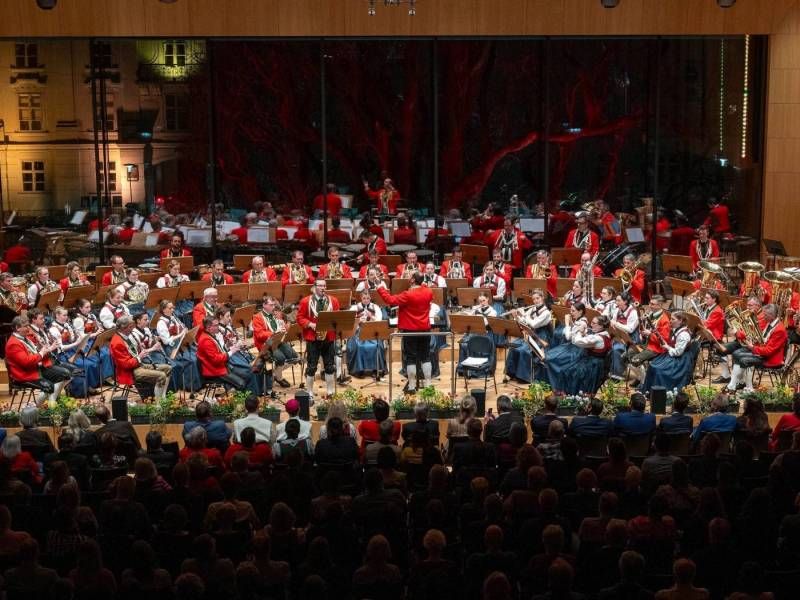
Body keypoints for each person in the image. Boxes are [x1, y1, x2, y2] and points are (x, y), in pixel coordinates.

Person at [378, 271, 434, 393]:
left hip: (410, 331)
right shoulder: (428, 291)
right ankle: (429, 385)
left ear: (413, 280)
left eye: (410, 277)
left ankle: (412, 386)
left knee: (411, 358)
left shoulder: (408, 294)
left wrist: (380, 287)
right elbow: (423, 289)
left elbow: (390, 300)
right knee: (425, 357)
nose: (408, 278)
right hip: (425, 329)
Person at [546, 311, 612, 396]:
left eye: (594, 323)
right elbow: (589, 340)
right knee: (567, 369)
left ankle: (571, 395)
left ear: (601, 326)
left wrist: (579, 332)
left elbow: (577, 341)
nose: (591, 325)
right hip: (595, 362)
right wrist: (584, 334)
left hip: (593, 366)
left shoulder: (597, 338)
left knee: (568, 371)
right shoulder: (605, 334)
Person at [5, 315, 69, 402]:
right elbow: (27, 362)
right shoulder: (13, 343)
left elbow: (34, 354)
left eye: (28, 325)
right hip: (25, 374)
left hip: (35, 368)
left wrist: (46, 349)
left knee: (64, 374)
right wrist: (42, 352)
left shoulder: (24, 338)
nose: (28, 328)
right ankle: (41, 406)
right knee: (50, 386)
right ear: (17, 328)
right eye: (26, 326)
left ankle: (48, 404)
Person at [726, 303, 787, 393]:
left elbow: (769, 351)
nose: (763, 317)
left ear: (772, 316)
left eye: (765, 315)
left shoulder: (779, 329)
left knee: (743, 359)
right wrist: (752, 342)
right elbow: (763, 341)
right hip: (764, 353)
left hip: (771, 359)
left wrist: (752, 347)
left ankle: (748, 388)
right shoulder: (770, 323)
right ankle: (733, 384)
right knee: (737, 354)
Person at [110, 315, 171, 399]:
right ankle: (159, 404)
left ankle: (162, 396)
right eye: (130, 327)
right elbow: (126, 364)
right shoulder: (117, 342)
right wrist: (140, 356)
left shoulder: (125, 336)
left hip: (138, 365)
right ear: (124, 328)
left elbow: (133, 352)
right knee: (161, 376)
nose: (132, 329)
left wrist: (139, 348)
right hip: (131, 371)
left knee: (168, 368)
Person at [297, 279, 341, 397]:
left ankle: (330, 391)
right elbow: (300, 318)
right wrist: (310, 324)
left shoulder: (333, 301)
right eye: (320, 285)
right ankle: (309, 391)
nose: (322, 288)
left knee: (329, 365)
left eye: (324, 286)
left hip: (328, 337)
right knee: (311, 366)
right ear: (314, 287)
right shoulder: (306, 301)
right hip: (313, 337)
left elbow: (337, 317)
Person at [641, 310, 697, 394]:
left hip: (681, 361)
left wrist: (667, 347)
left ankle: (660, 394)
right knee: (653, 365)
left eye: (673, 319)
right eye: (671, 319)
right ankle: (650, 391)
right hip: (674, 356)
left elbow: (678, 352)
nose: (670, 321)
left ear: (680, 321)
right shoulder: (677, 329)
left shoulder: (684, 335)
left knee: (658, 370)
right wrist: (665, 344)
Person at [196, 314, 255, 395]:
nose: (219, 327)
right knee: (242, 384)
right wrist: (232, 351)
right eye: (216, 325)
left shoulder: (211, 335)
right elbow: (216, 359)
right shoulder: (205, 340)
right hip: (215, 370)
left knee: (247, 374)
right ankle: (243, 401)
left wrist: (230, 347)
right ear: (209, 327)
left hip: (222, 366)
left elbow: (219, 350)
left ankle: (241, 395)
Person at [504, 288, 552, 383]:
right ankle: (511, 373)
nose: (535, 301)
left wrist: (524, 315)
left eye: (537, 298)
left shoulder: (546, 313)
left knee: (523, 351)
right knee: (514, 347)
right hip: (530, 333)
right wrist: (516, 316)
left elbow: (534, 324)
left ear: (542, 298)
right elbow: (524, 322)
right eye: (534, 299)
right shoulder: (533, 309)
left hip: (540, 337)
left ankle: (523, 377)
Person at [155, 299, 202, 392]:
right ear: (164, 310)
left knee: (198, 355)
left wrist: (185, 332)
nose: (173, 310)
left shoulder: (173, 318)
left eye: (173, 308)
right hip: (172, 349)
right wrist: (180, 335)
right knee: (191, 360)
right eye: (170, 308)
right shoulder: (161, 323)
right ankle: (190, 386)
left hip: (181, 344)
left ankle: (200, 382)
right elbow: (166, 341)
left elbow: (182, 328)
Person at [252, 295, 297, 389]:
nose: (273, 307)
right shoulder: (257, 317)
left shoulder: (276, 313)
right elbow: (259, 334)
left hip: (278, 340)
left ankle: (274, 374)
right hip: (266, 344)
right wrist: (273, 333)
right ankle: (279, 378)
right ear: (264, 305)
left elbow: (282, 325)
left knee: (294, 357)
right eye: (271, 305)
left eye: (274, 305)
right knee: (280, 358)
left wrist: (284, 327)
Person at [347, 289, 387, 378]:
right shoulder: (355, 307)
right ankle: (359, 370)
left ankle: (376, 369)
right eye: (364, 298)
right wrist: (358, 321)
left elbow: (379, 321)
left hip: (371, 331)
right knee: (358, 346)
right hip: (358, 332)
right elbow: (350, 322)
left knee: (377, 345)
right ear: (361, 298)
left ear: (370, 298)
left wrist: (371, 317)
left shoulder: (375, 307)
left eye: (368, 298)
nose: (366, 300)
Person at [608, 292, 639, 381]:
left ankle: (618, 375)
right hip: (619, 336)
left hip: (630, 339)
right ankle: (611, 371)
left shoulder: (633, 312)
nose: (616, 302)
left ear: (625, 302)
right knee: (606, 346)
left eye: (618, 300)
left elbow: (630, 329)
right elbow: (612, 323)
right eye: (616, 300)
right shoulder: (617, 310)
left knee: (617, 350)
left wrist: (616, 324)